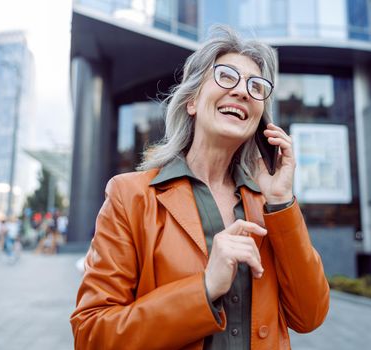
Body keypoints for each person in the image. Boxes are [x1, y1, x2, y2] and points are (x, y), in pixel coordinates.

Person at [70, 26, 329, 350]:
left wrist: (281, 202)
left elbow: (310, 315)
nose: (242, 91)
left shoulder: (270, 205)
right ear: (192, 100)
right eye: (226, 76)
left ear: (260, 119)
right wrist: (204, 289)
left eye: (256, 86)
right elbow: (91, 334)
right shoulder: (130, 196)